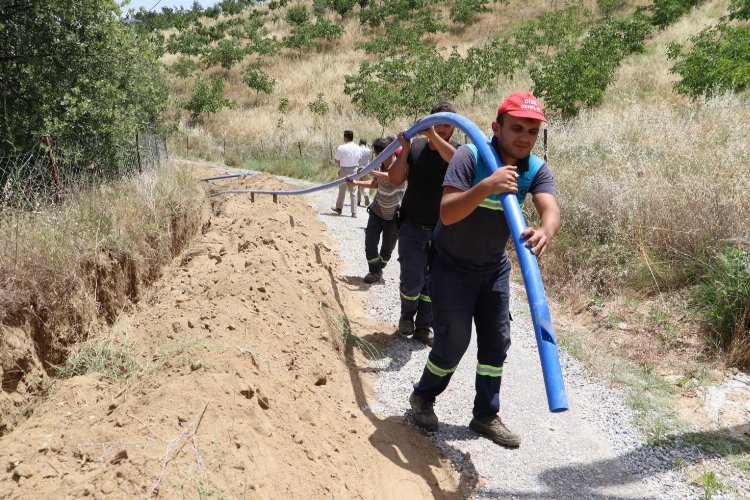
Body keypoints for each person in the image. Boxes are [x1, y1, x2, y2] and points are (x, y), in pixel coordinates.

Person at [408, 92, 561, 448]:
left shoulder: (535, 169)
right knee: (454, 342)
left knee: (496, 343)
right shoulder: (470, 155)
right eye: (517, 128)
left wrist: (545, 230)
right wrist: (486, 187)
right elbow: (447, 212)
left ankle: (485, 414)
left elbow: (550, 208)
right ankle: (424, 395)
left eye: (532, 131)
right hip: (451, 268)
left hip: (493, 270)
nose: (524, 137)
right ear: (496, 127)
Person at [389, 101, 459, 346]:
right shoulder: (416, 147)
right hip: (412, 226)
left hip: (444, 230)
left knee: (435, 281)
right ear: (428, 122)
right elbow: (396, 179)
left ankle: (424, 326)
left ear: (455, 127)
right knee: (413, 279)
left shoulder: (460, 152)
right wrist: (405, 149)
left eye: (447, 124)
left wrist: (431, 135)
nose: (441, 128)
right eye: (437, 123)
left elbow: (454, 160)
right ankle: (407, 316)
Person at [347, 137, 406, 283]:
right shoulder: (379, 167)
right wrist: (356, 182)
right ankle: (374, 271)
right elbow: (376, 184)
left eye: (379, 155)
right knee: (370, 242)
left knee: (387, 250)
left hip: (393, 216)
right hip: (377, 211)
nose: (378, 158)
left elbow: (393, 178)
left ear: (390, 153)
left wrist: (370, 171)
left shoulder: (399, 165)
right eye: (377, 155)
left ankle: (379, 267)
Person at [332, 130, 361, 218]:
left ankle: (339, 208)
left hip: (344, 169)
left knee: (342, 190)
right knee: (354, 191)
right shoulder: (358, 147)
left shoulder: (341, 147)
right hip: (355, 169)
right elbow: (359, 159)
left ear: (345, 137)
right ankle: (354, 212)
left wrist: (340, 165)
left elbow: (337, 160)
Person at [357, 138, 372, 207]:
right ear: (365, 144)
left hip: (358, 169)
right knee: (366, 185)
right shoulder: (368, 150)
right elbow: (369, 153)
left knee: (357, 185)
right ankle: (366, 194)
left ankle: (358, 201)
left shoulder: (357, 149)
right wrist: (367, 146)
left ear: (360, 143)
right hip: (366, 169)